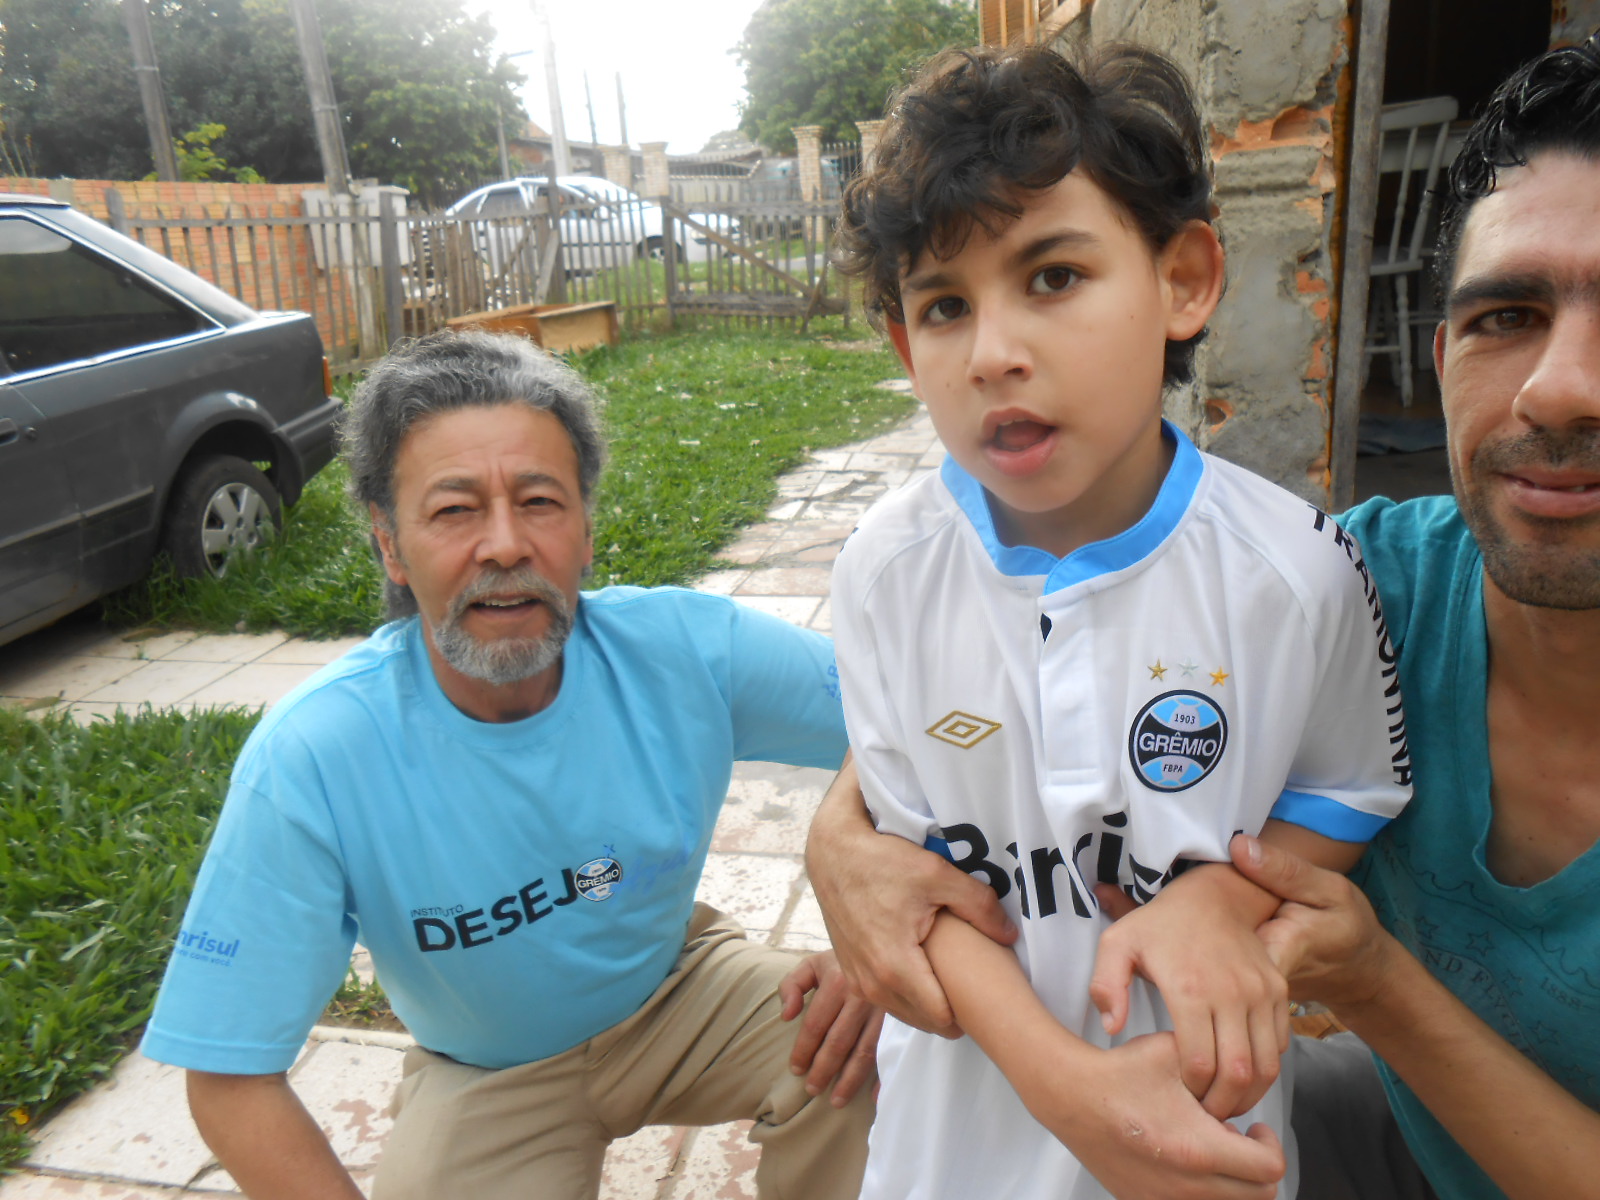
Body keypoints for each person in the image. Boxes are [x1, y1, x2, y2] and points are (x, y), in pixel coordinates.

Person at [810, 30, 1600, 1200]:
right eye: (1508, 315)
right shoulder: (1370, 571)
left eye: (1053, 276)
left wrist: (1231, 906)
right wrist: (842, 849)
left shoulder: (1290, 575)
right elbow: (914, 831)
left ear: (1184, 280)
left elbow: (1338, 781)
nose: (995, 353)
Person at [139, 329, 878, 1200]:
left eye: (539, 501)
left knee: (874, 1052)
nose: (504, 545)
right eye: (454, 510)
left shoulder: (689, 651)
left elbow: (918, 727)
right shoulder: (316, 755)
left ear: (586, 528)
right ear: (389, 545)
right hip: (489, 1070)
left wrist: (864, 918)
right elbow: (229, 1080)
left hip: (678, 989)